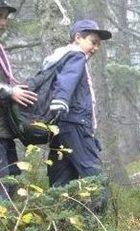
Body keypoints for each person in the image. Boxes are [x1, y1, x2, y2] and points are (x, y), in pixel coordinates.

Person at [44, 19, 112, 188]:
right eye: (93, 42)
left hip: (59, 126)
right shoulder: (76, 56)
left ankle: (60, 214)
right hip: (76, 125)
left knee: (61, 180)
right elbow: (67, 80)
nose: (95, 48)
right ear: (78, 38)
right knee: (95, 177)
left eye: (98, 45)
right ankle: (99, 215)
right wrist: (60, 102)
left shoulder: (59, 58)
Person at [0, 1, 37, 200]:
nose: (4, 23)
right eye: (0, 17)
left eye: (5, 17)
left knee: (13, 180)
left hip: (4, 133)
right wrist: (9, 91)